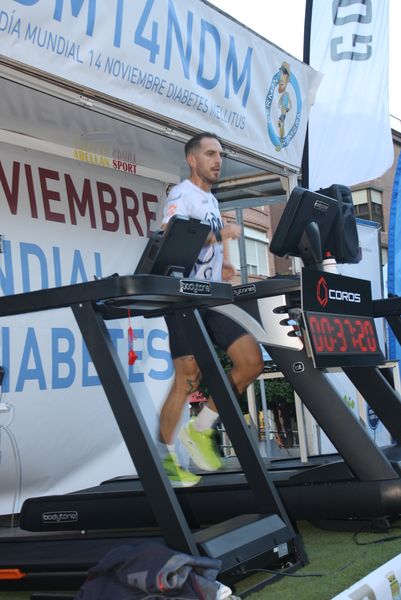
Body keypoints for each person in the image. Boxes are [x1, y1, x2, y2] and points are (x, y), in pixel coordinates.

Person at [158, 132, 264, 487]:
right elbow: (171, 236)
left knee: (251, 362)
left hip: (213, 295)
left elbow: (209, 247)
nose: (218, 161)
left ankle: (199, 428)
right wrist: (222, 235)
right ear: (192, 160)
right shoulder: (181, 194)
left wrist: (224, 264)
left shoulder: (212, 200)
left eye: (220, 154)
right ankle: (168, 462)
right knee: (188, 379)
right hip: (184, 298)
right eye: (210, 154)